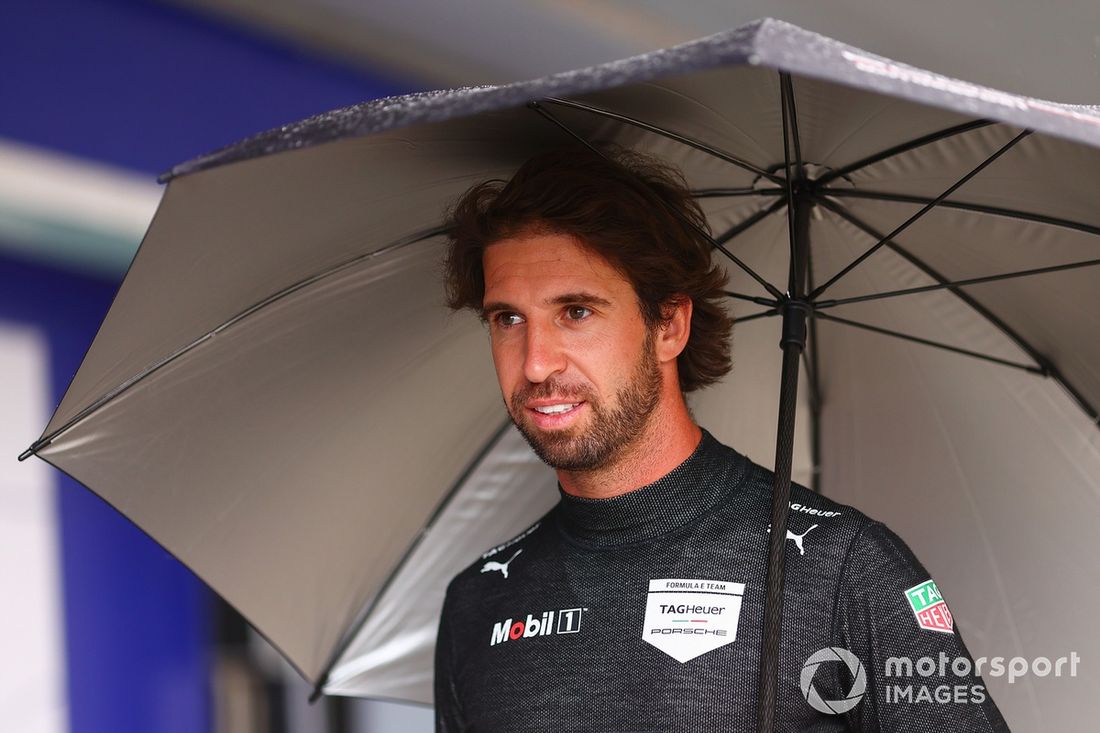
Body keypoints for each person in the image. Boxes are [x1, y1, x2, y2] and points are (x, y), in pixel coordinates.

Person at [434, 147, 1008, 732]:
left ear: (670, 326)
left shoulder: (841, 566)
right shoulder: (478, 601)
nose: (533, 363)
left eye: (576, 311)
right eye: (508, 319)